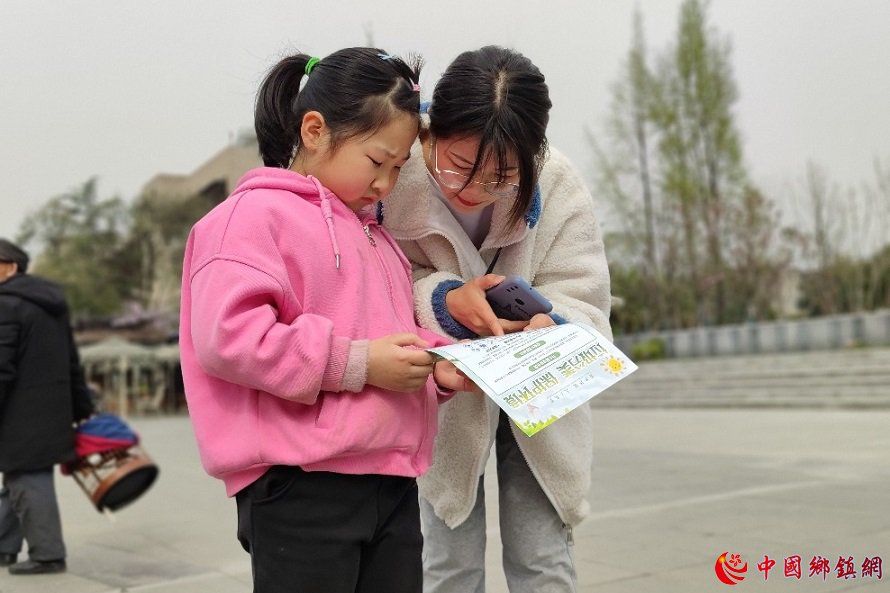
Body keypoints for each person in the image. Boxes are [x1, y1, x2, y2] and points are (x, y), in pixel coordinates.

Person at [179, 47, 473, 593]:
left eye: (398, 167)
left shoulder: (374, 234)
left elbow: (386, 333)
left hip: (389, 480)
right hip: (300, 486)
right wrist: (359, 363)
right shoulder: (247, 219)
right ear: (315, 130)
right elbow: (228, 338)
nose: (386, 183)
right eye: (377, 161)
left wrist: (436, 364)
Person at [380, 46, 613, 593]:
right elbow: (381, 283)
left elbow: (587, 298)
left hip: (537, 394)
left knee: (543, 561)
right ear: (430, 133)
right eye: (457, 165)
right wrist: (443, 301)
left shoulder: (556, 183)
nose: (471, 189)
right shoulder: (397, 175)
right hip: (444, 393)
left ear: (533, 158)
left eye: (501, 176)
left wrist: (553, 327)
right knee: (447, 564)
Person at [0, 239, 95, 575]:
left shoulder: (6, 304)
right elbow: (72, 361)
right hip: (49, 411)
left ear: (9, 266)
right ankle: (3, 547)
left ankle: (48, 555)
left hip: (20, 414)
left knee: (28, 479)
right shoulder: (49, 303)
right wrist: (82, 406)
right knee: (18, 479)